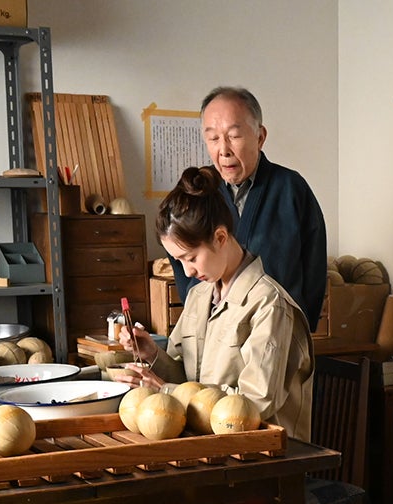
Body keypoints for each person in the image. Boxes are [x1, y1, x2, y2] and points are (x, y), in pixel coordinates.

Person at [121, 164, 314, 439]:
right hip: (208, 446)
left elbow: (252, 405)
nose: (187, 271)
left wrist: (164, 389)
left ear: (220, 237)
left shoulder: (269, 304)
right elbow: (189, 377)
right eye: (178, 261)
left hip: (264, 455)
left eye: (191, 258)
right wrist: (153, 355)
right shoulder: (199, 295)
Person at [169, 86, 328, 331]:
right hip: (215, 334)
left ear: (260, 137)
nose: (224, 150)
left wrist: (300, 329)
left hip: (276, 331)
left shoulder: (291, 188)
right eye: (213, 138)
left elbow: (314, 268)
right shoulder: (197, 190)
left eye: (234, 136)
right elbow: (180, 256)